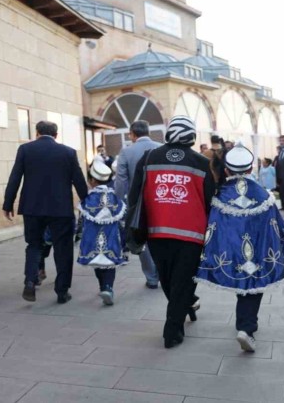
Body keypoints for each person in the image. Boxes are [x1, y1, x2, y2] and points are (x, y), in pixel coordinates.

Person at [196, 143, 284, 352]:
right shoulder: (263, 195)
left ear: (226, 170)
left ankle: (245, 324)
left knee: (242, 283)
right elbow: (276, 226)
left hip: (230, 251)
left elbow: (212, 225)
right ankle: (246, 327)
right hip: (258, 249)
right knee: (254, 283)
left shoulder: (219, 195)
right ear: (249, 168)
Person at [128, 115, 215, 349]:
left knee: (167, 278)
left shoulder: (149, 157)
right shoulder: (201, 162)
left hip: (156, 231)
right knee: (182, 280)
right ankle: (178, 319)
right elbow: (210, 200)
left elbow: (134, 194)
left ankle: (173, 328)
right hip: (191, 234)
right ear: (191, 135)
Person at [3, 121, 89, 304]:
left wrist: (8, 203)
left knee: (33, 245)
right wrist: (87, 202)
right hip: (61, 209)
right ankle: (62, 291)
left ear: (37, 133)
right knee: (63, 249)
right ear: (56, 135)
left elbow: (15, 177)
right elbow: (79, 180)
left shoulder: (25, 150)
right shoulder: (68, 152)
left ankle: (30, 281)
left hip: (32, 208)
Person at [114, 120, 162, 289]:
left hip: (137, 202)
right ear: (148, 132)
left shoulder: (126, 152)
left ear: (132, 134)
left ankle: (151, 277)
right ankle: (162, 272)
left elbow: (121, 181)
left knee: (141, 237)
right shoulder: (161, 148)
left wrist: (119, 202)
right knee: (160, 235)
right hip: (161, 199)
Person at [77, 161, 127, 306]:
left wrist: (78, 234)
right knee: (109, 263)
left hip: (92, 239)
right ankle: (108, 287)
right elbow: (122, 218)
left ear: (92, 180)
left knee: (97, 262)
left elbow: (82, 219)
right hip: (111, 237)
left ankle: (103, 286)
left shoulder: (88, 199)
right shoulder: (115, 197)